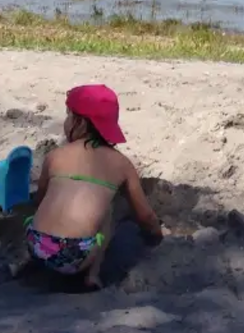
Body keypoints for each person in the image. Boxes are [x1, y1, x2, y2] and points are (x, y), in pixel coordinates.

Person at [27, 85, 164, 288]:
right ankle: (93, 275)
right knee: (108, 210)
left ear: (80, 123)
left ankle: (30, 264)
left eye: (68, 116)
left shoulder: (55, 156)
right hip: (76, 256)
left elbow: (40, 200)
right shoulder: (122, 164)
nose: (66, 122)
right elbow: (145, 216)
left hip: (37, 245)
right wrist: (156, 235)